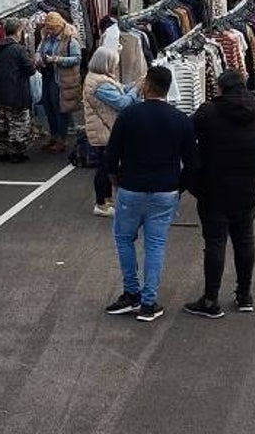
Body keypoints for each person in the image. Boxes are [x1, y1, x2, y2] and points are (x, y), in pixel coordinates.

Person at [104, 66, 195, 322]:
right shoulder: (181, 120)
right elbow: (192, 162)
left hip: (132, 187)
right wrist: (179, 186)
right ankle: (149, 300)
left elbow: (111, 156)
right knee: (155, 245)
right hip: (165, 190)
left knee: (124, 239)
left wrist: (115, 181)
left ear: (147, 86)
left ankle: (130, 293)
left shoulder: (129, 116)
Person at [183, 70, 255, 318]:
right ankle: (244, 295)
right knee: (245, 239)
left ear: (221, 88)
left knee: (215, 242)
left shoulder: (208, 112)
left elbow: (188, 137)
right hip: (249, 188)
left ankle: (211, 299)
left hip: (214, 188)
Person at [83, 46, 140, 217]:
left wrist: (135, 85)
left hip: (103, 129)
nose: (115, 67)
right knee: (105, 167)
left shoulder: (98, 79)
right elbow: (122, 103)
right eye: (113, 63)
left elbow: (120, 90)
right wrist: (137, 89)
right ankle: (102, 203)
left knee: (106, 165)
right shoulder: (100, 83)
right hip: (104, 130)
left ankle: (105, 201)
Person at [0, 18, 36, 164]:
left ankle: (2, 151)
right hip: (17, 92)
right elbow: (30, 70)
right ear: (18, 31)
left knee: (2, 124)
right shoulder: (19, 49)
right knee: (18, 123)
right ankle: (17, 152)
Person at [36, 12, 81, 154]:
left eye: (52, 29)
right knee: (48, 106)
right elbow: (39, 50)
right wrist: (38, 56)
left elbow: (77, 58)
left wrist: (57, 59)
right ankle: (53, 136)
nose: (49, 31)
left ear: (59, 26)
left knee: (60, 108)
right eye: (47, 28)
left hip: (62, 78)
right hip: (47, 75)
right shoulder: (46, 37)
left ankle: (61, 139)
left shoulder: (70, 40)